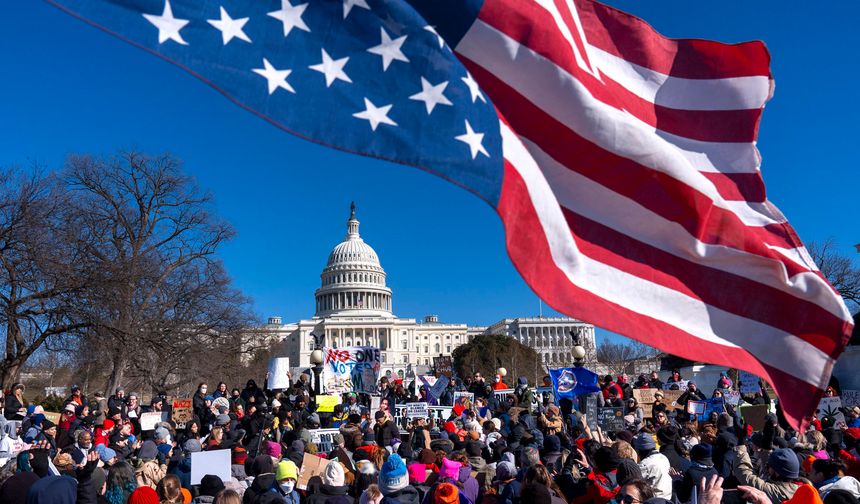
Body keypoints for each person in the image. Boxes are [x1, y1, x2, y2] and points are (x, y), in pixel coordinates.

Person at [733, 445, 803, 503]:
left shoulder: (776, 492)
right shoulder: (800, 488)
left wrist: (741, 448)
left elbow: (745, 474)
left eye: (768, 466)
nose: (766, 468)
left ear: (777, 473)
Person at [633, 433, 672, 500]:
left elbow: (633, 480)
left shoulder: (645, 464)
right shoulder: (663, 457)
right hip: (667, 498)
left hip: (654, 499)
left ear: (640, 450)